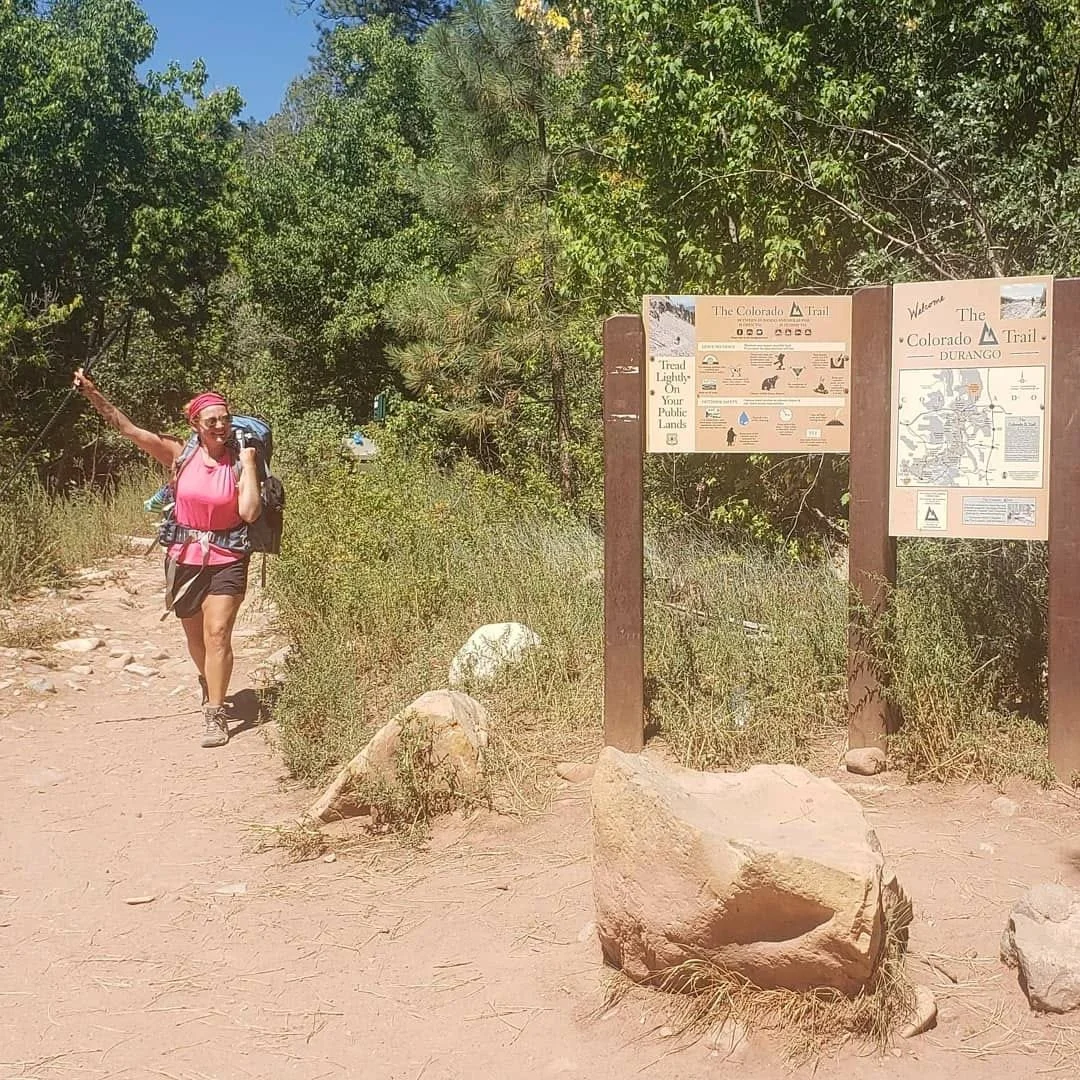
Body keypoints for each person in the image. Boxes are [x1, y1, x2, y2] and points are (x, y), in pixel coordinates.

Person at [73, 369, 261, 748]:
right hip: (185, 556)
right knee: (196, 640)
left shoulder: (240, 462)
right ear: (196, 424)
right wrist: (93, 394)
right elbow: (128, 429)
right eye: (213, 420)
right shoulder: (179, 454)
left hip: (228, 557)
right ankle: (210, 681)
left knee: (218, 633)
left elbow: (251, 514)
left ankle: (215, 712)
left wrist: (252, 464)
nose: (221, 425)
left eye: (225, 418)